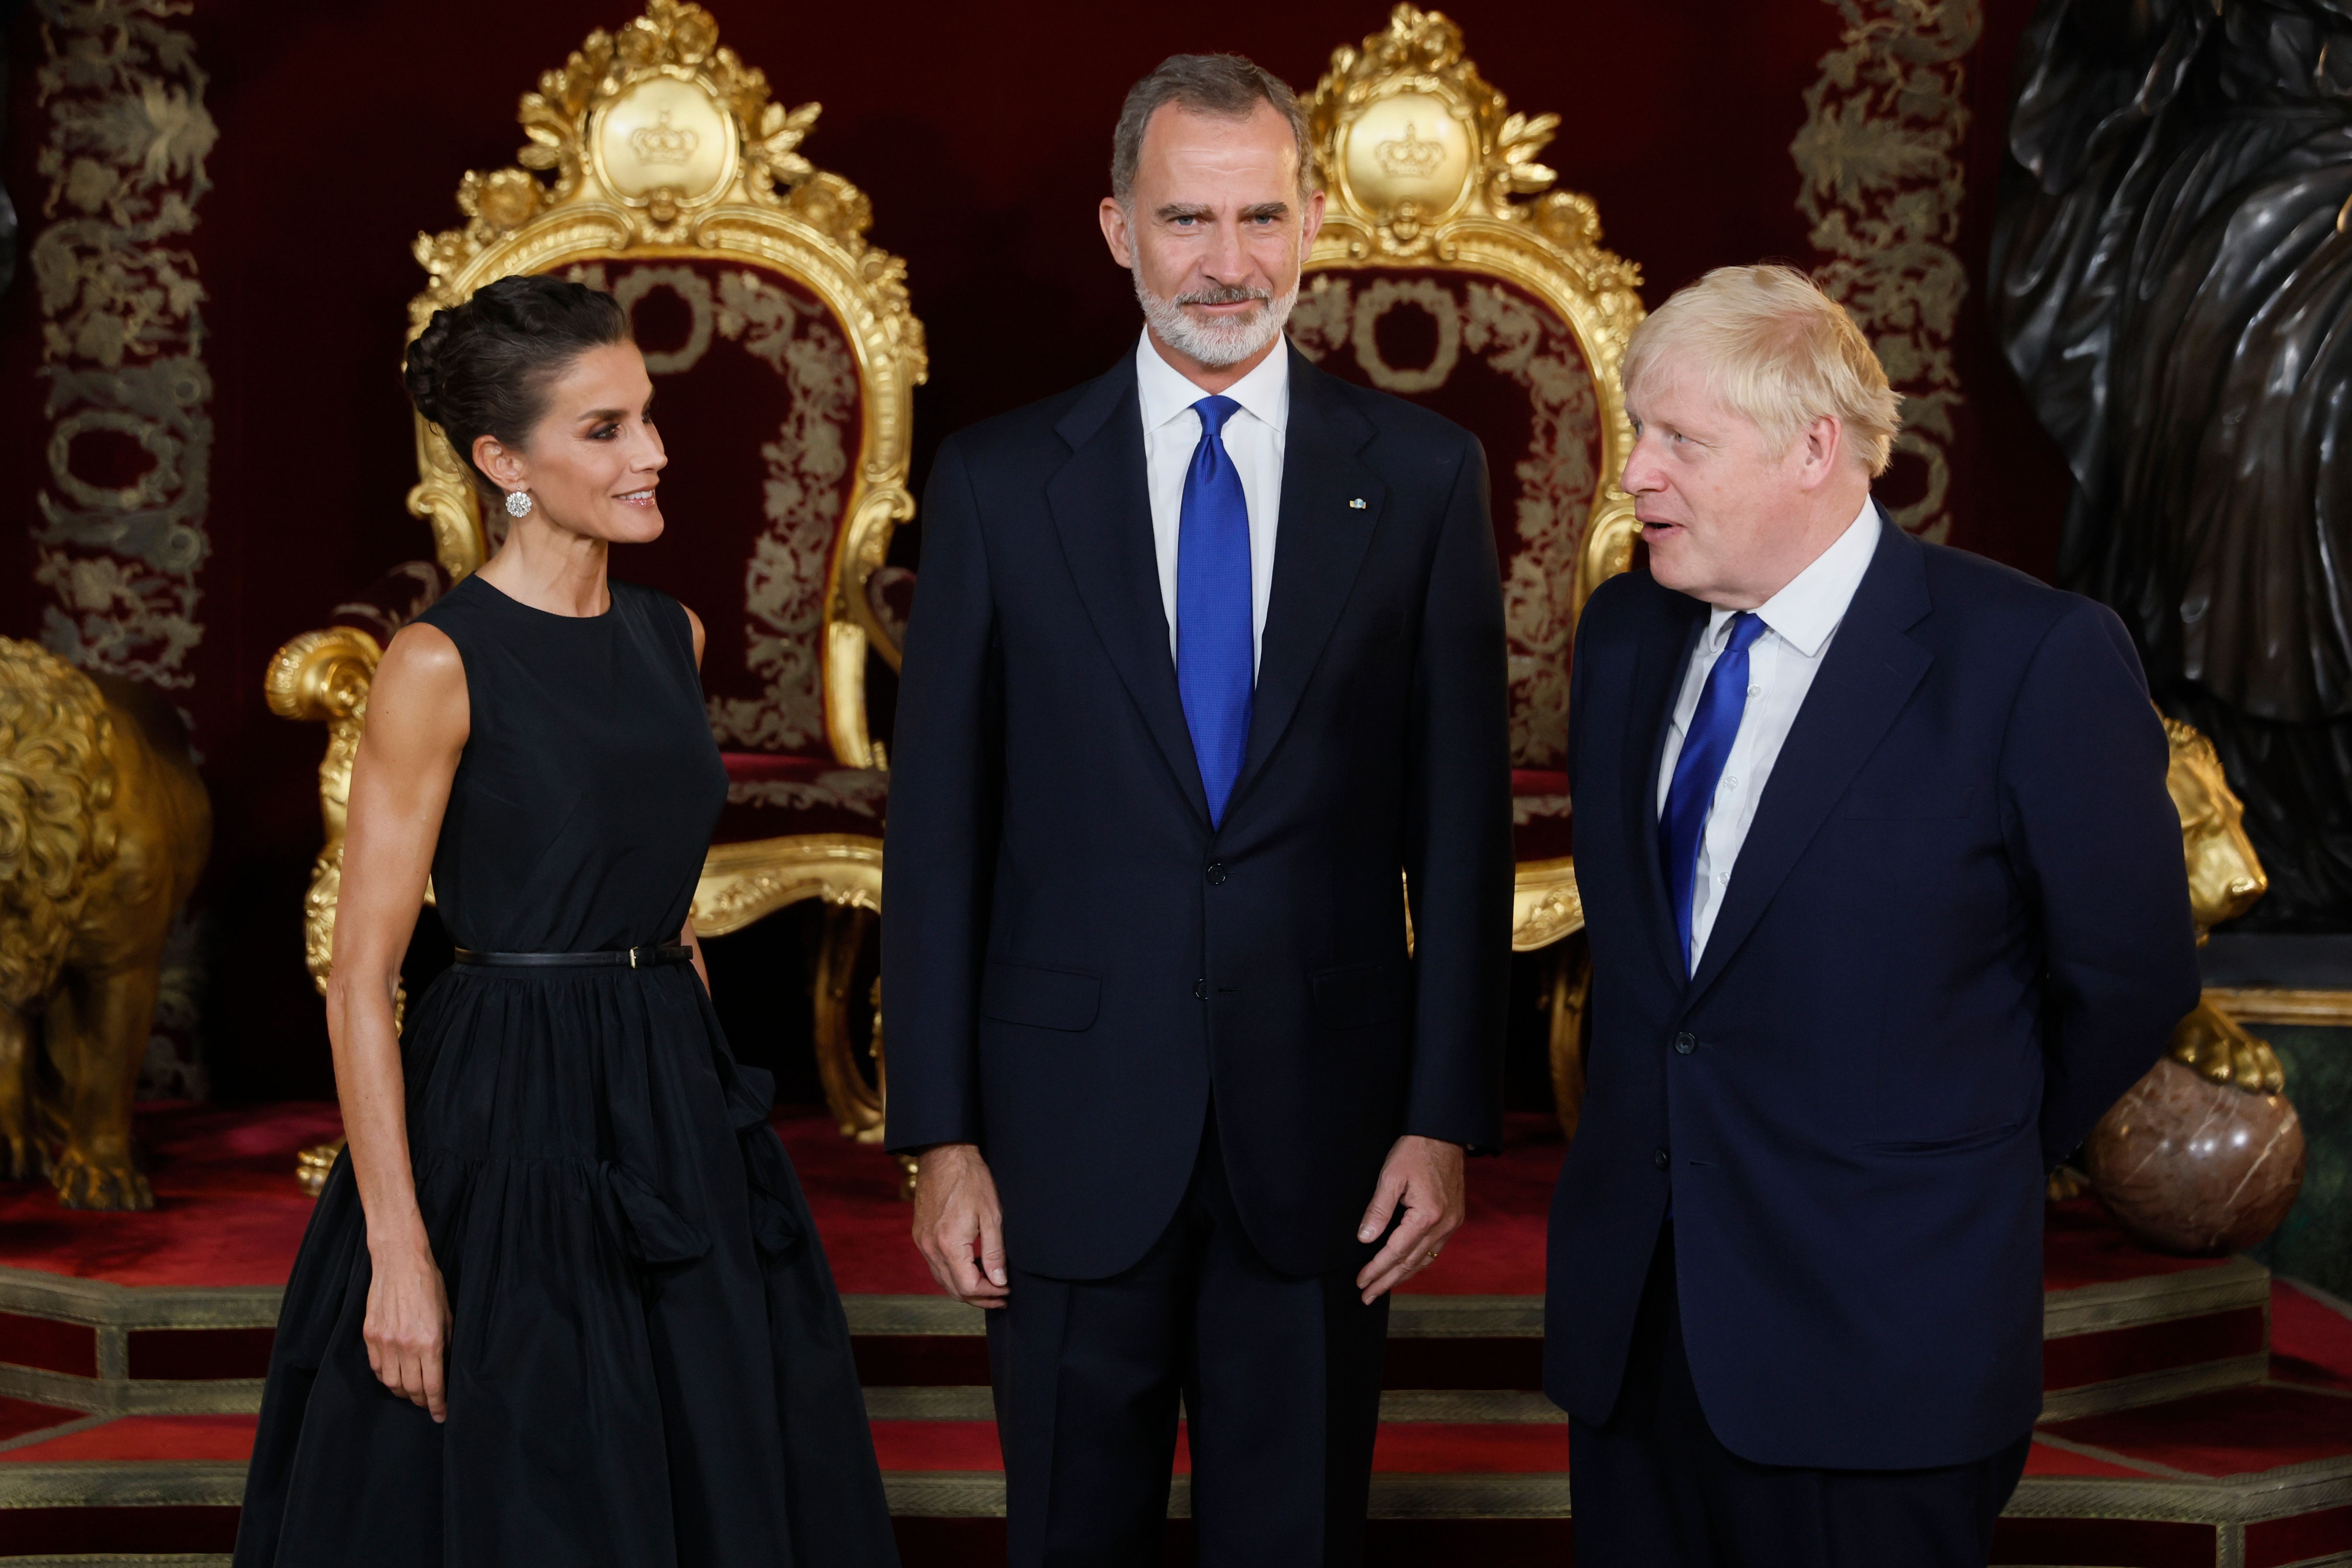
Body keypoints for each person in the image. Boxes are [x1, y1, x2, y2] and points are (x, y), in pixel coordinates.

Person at [881, 53, 1513, 1567]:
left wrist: (1442, 1119)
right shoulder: (998, 484)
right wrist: (941, 1139)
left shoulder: (1422, 478)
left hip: (1327, 1138)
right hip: (1062, 1138)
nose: (1226, 264)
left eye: (1259, 216)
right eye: (1185, 220)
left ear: (1310, 223)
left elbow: (1464, 828)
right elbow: (941, 837)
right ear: (1118, 231)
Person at [234, 275, 898, 1568]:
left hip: (670, 1094)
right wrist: (398, 1251)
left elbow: (661, 894)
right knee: (542, 1478)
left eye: (645, 417)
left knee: (704, 1462)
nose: (651, 453)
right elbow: (360, 977)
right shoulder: (439, 663)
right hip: (507, 1106)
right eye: (604, 430)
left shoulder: (672, 634)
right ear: (503, 462)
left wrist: (707, 1115)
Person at [1544, 265, 2200, 1566]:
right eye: (1638, 432)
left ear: (1813, 449)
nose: (1635, 475)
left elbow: (2126, 977)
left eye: (1679, 439)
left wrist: (1952, 1149)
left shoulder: (2029, 659)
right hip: (1636, 1336)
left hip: (1882, 1333)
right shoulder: (1623, 634)